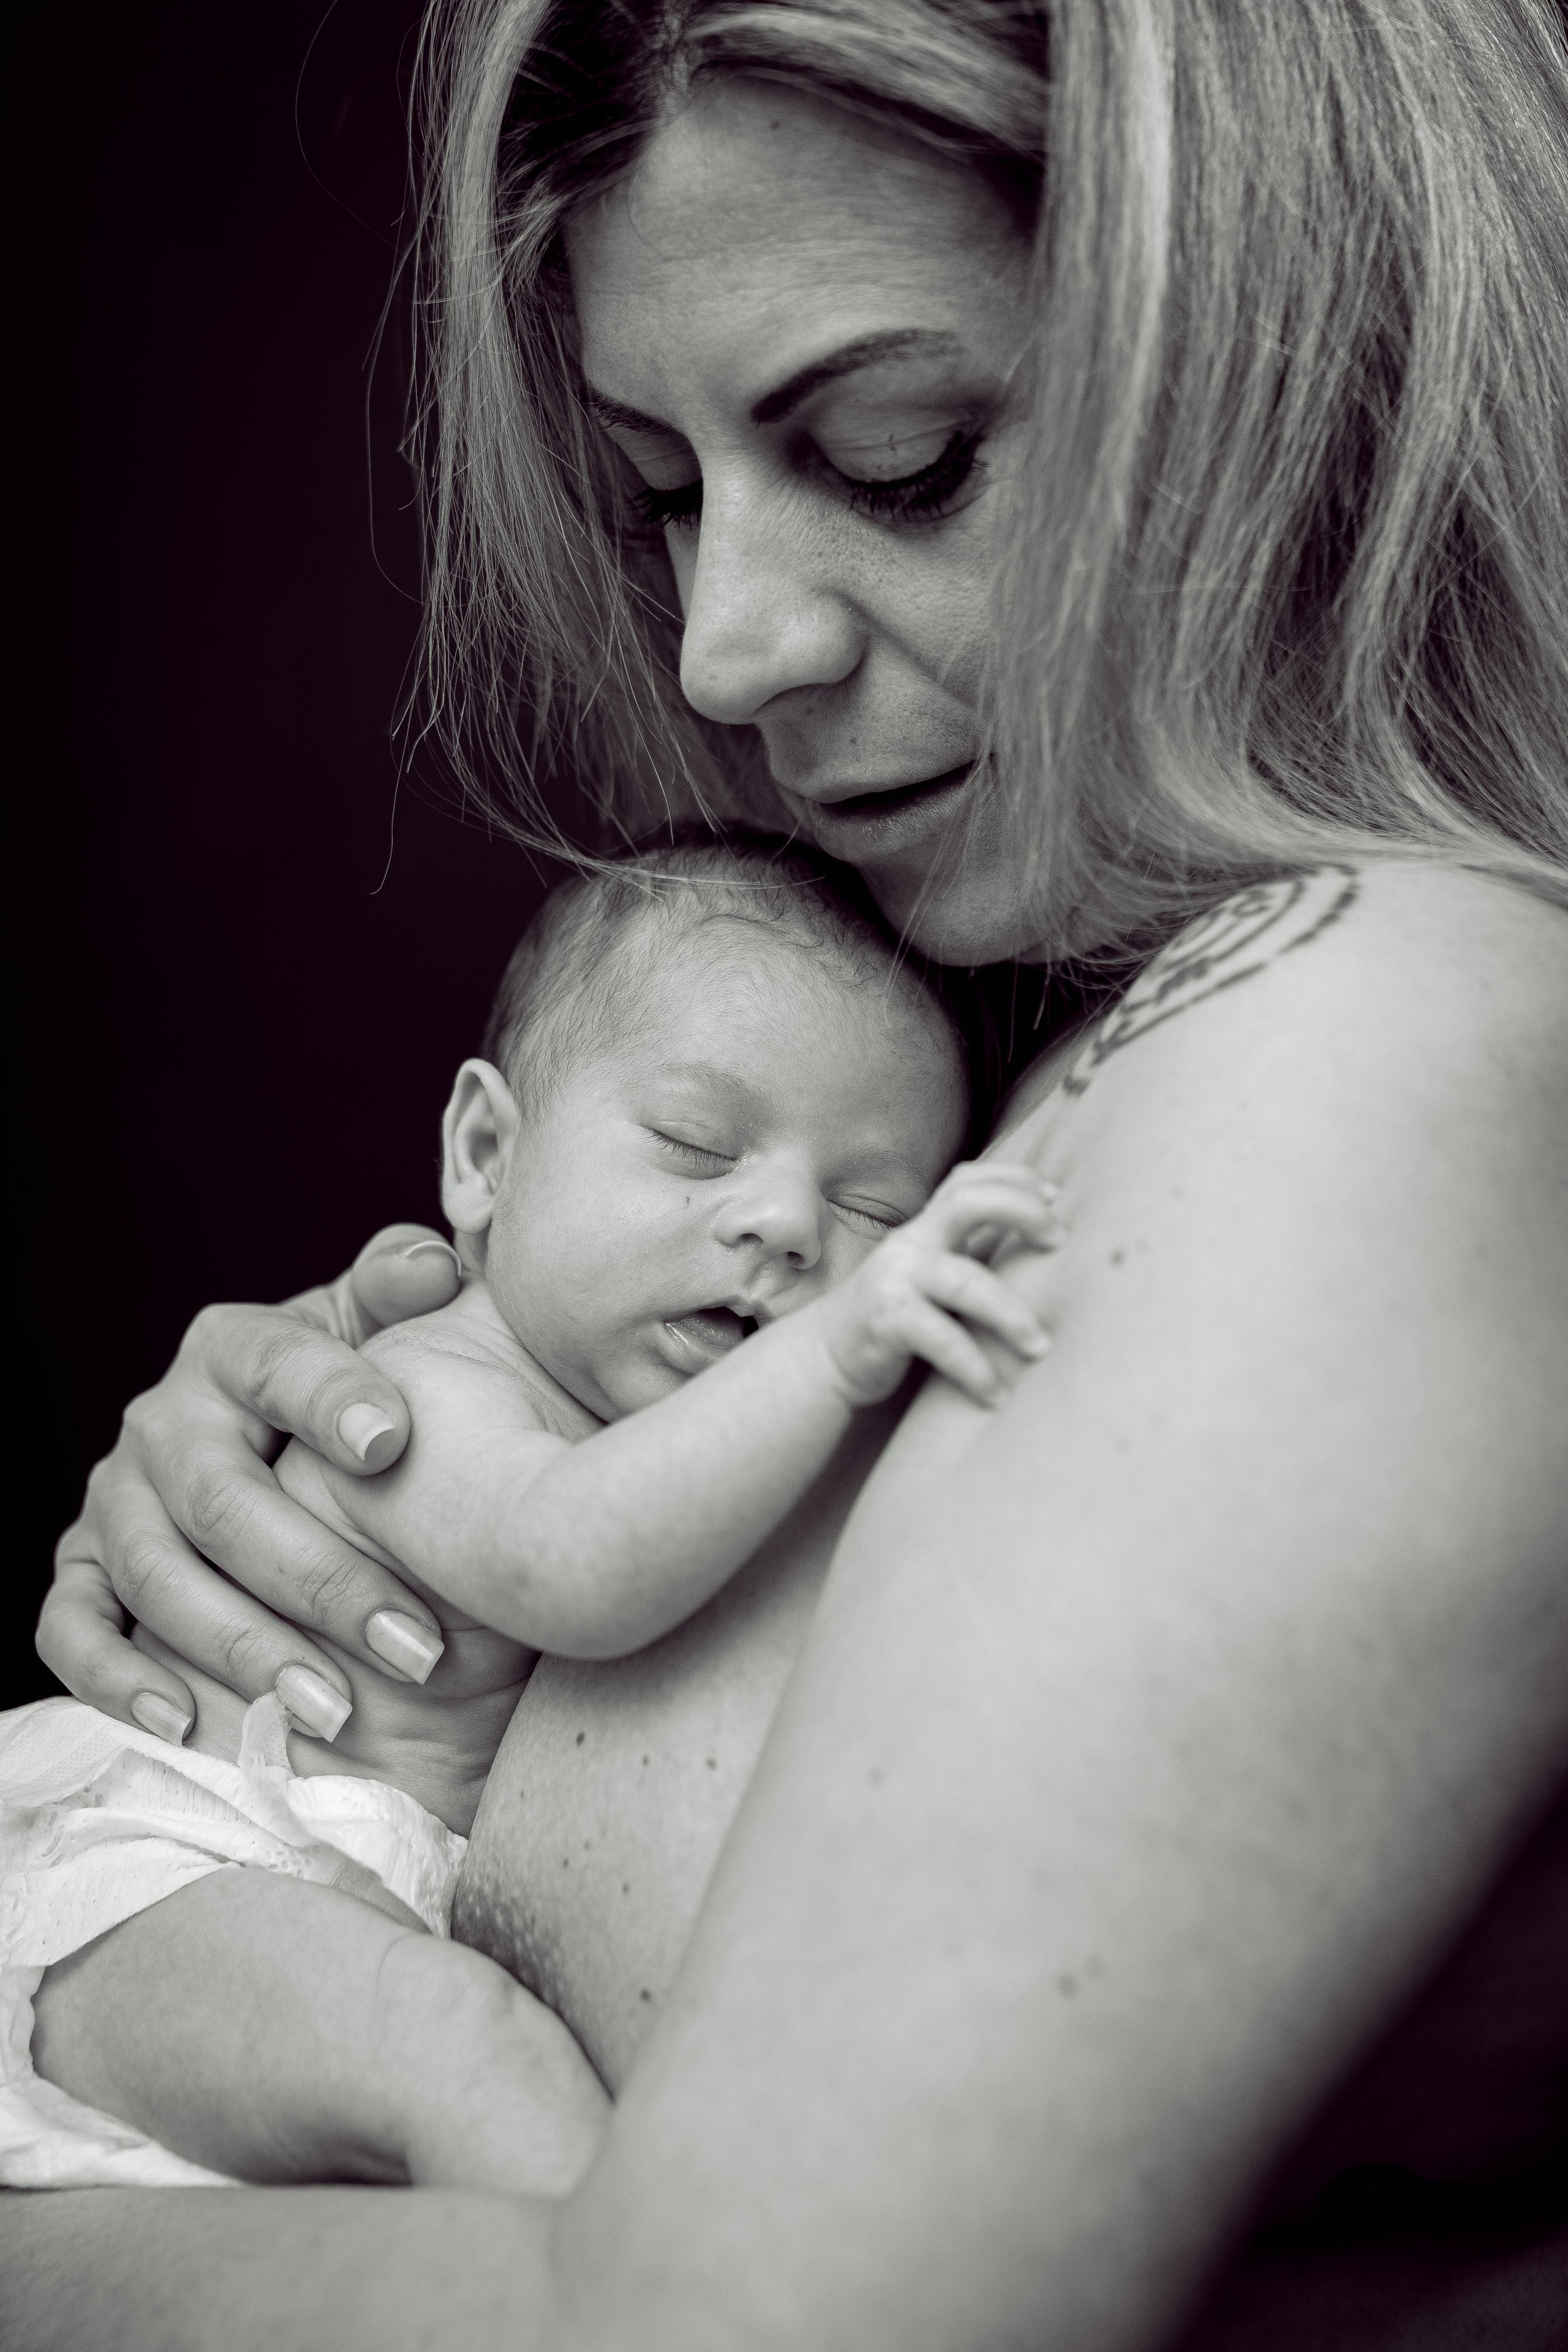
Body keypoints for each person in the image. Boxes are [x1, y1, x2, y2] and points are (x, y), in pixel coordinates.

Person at [8, 2, 1568, 2346]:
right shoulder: (1063, 1037)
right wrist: (297, 1496)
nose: (724, 651)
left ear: (1309, 356)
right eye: (660, 491)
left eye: (902, 455)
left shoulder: (1378, 1017)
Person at [2, 837, 1058, 2193]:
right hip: (151, 1882)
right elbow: (571, 1564)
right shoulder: (432, 1389)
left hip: (325, 1917)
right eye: (694, 1145)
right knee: (469, 2055)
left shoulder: (674, 1445)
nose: (788, 1225)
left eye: (871, 1208)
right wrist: (843, 1343)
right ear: (486, 1154)